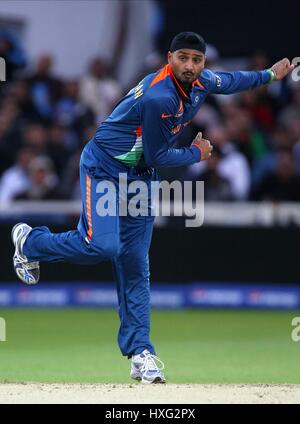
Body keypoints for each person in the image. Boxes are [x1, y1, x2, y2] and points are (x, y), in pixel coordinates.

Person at [11, 32, 294, 384]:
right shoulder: (160, 96)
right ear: (169, 58)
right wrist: (197, 153)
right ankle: (29, 243)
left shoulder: (203, 79)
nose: (190, 66)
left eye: (197, 59)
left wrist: (269, 75)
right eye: (183, 58)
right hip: (104, 168)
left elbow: (233, 80)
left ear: (204, 63)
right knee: (101, 245)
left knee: (135, 262)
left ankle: (140, 351)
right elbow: (160, 154)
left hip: (140, 177)